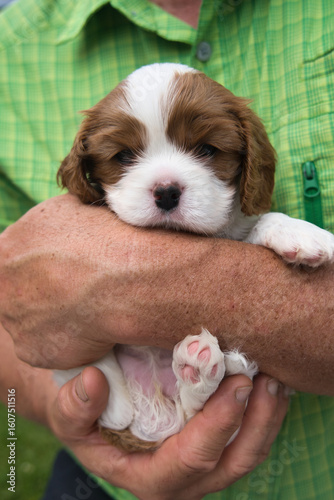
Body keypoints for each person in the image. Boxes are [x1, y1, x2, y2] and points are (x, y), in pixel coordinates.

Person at [0, 0, 333, 498]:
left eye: (205, 149)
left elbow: (248, 225)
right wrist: (66, 409)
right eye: (124, 156)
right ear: (86, 173)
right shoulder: (10, 47)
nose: (166, 184)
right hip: (104, 459)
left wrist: (270, 225)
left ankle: (199, 390)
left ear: (249, 159)